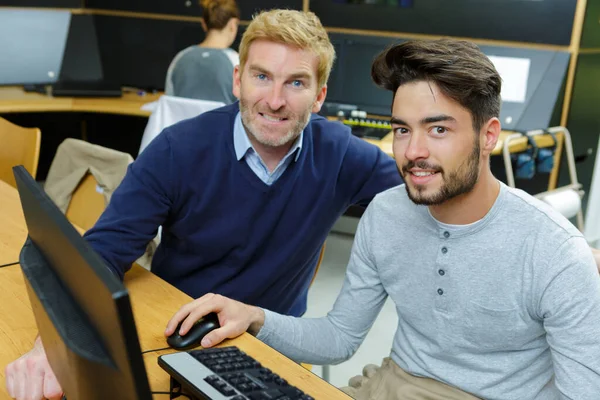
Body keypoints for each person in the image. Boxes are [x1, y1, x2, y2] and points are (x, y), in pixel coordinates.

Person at [164, 39, 600, 399]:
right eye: (402, 129)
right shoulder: (387, 213)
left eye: (439, 130)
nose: (413, 151)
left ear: (488, 135)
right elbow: (339, 338)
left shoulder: (553, 250)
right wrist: (252, 316)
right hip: (392, 386)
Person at [4, 9, 402, 400]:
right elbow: (99, 256)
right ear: (237, 80)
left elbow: (431, 188)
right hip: (174, 330)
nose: (275, 100)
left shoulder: (342, 154)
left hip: (267, 345)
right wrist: (51, 348)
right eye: (261, 76)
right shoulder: (177, 149)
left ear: (319, 97)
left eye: (296, 83)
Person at [164, 0, 240, 103]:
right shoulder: (236, 61)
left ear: (203, 24)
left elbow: (169, 103)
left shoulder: (180, 58)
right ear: (233, 24)